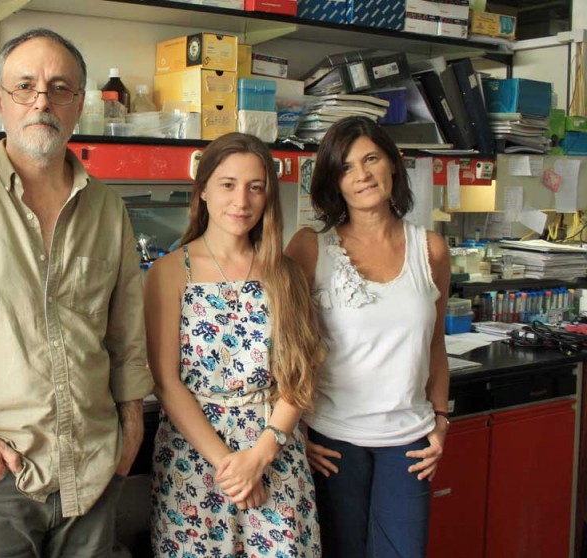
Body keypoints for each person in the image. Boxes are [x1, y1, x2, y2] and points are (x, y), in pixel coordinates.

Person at [0, 28, 152, 557]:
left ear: (79, 103)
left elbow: (127, 333)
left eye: (60, 88)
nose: (42, 101)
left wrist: (131, 427)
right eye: (25, 86)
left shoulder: (108, 209)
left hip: (94, 469)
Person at [147, 132, 327, 557]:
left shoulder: (284, 272)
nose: (241, 201)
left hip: (275, 454)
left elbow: (299, 374)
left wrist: (260, 457)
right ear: (204, 188)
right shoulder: (171, 271)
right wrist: (229, 467)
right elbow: (166, 382)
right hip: (195, 457)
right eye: (228, 184)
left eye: (255, 187)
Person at [285, 116, 450, 558]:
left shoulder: (430, 249)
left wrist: (441, 420)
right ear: (332, 181)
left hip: (409, 442)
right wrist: (294, 430)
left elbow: (435, 346)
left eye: (371, 159)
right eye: (346, 167)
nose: (361, 175)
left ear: (392, 165)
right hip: (332, 440)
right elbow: (284, 347)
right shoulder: (308, 248)